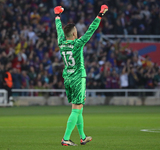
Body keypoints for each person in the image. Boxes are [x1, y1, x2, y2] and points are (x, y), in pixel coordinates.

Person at [54, 5, 108, 146]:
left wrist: (57, 16)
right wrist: (100, 14)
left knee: (77, 108)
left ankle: (83, 137)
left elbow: (59, 29)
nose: (77, 33)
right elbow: (91, 30)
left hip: (68, 77)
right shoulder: (77, 44)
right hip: (78, 78)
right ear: (73, 34)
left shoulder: (61, 42)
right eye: (76, 32)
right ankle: (65, 138)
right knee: (77, 109)